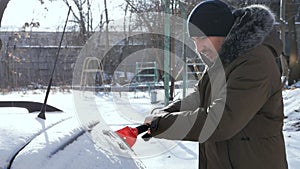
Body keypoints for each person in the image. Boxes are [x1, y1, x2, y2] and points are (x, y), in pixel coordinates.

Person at [143, 0, 289, 169]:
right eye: (194, 40)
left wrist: (161, 124)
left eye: (203, 38)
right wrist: (164, 113)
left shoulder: (255, 62)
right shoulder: (222, 60)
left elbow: (221, 122)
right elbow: (199, 97)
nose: (199, 47)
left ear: (223, 31)